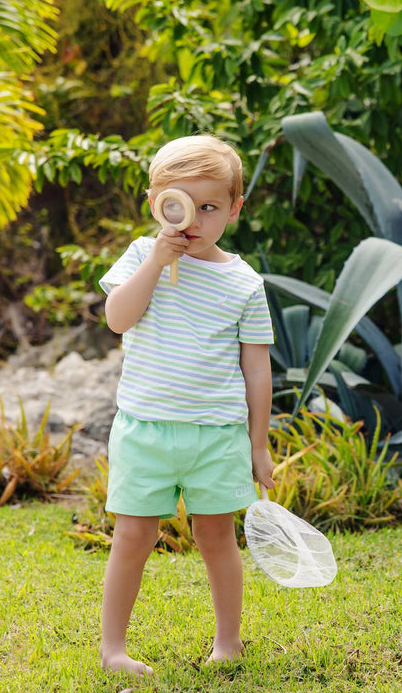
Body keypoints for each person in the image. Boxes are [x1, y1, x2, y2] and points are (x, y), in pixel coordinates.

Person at [97, 134, 276, 675]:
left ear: (234, 208)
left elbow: (257, 367)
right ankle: (113, 650)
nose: (193, 221)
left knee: (216, 535)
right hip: (144, 429)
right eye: (180, 205)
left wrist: (259, 444)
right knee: (132, 535)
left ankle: (228, 641)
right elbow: (117, 318)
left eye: (209, 207)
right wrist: (154, 261)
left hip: (215, 434)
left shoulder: (244, 282)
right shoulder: (138, 256)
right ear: (155, 202)